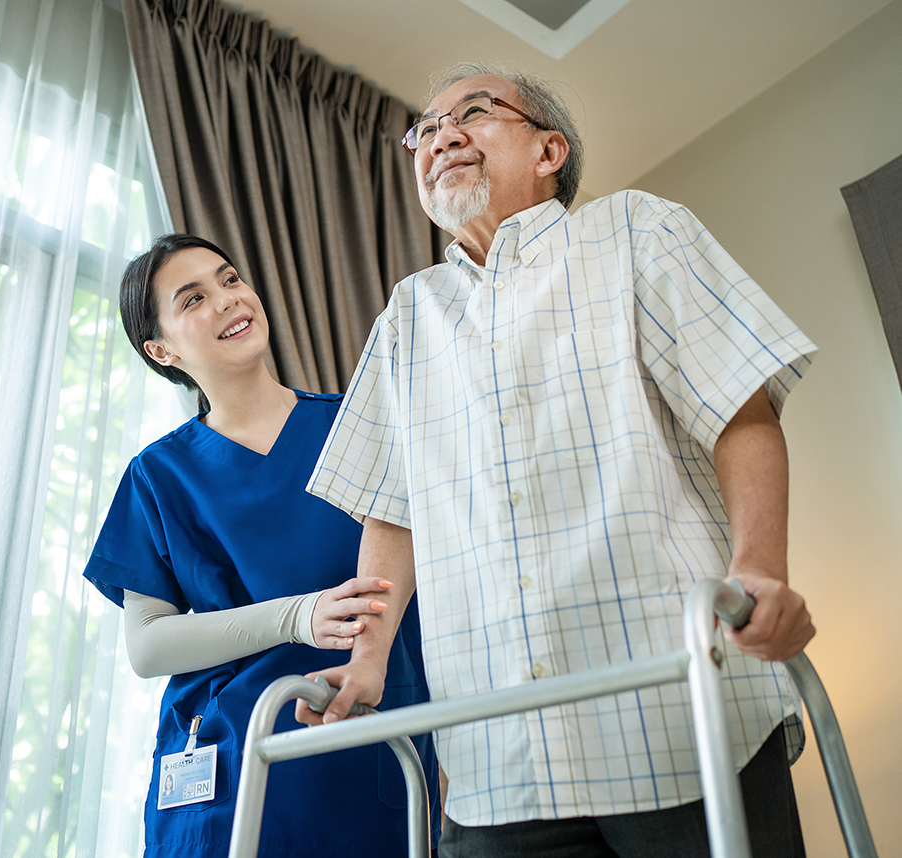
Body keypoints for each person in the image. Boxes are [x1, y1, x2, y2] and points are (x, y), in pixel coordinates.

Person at [299, 62, 817, 858]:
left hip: (678, 721)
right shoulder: (408, 316)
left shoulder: (636, 232)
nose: (442, 137)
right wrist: (367, 659)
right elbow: (391, 508)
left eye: (472, 113)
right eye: (425, 131)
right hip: (497, 763)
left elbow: (738, 410)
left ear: (549, 151)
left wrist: (759, 571)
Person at [82, 234, 441, 857]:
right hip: (228, 765)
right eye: (194, 297)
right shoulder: (158, 476)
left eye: (229, 279)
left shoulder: (361, 428)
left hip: (362, 751)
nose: (227, 299)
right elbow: (147, 646)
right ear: (161, 349)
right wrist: (295, 617)